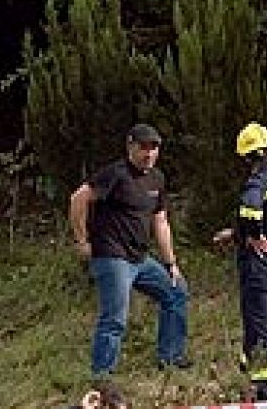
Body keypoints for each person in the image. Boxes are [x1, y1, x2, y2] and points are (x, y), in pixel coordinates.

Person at [69, 123, 191, 378]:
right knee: (114, 317)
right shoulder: (115, 174)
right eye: (143, 148)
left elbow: (160, 221)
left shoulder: (157, 178)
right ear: (130, 147)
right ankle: (102, 377)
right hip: (112, 257)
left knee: (176, 292)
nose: (148, 154)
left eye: (154, 148)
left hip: (140, 258)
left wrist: (171, 263)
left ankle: (170, 358)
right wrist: (82, 241)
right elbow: (79, 198)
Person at [212, 122, 267, 401]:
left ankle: (266, 393)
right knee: (257, 326)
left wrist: (250, 236)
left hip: (260, 268)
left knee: (261, 330)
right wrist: (239, 233)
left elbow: (250, 210)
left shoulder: (257, 182)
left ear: (249, 158)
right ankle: (248, 365)